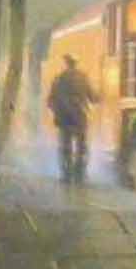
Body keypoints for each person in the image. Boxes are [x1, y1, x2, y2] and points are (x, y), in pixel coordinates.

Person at [47, 54, 97, 182]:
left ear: (66, 63)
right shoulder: (83, 78)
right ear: (75, 63)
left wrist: (57, 110)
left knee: (65, 146)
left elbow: (50, 100)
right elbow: (93, 97)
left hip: (64, 118)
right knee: (81, 146)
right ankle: (79, 173)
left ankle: (67, 174)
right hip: (79, 116)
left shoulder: (59, 79)